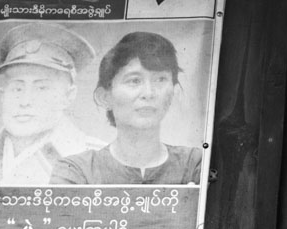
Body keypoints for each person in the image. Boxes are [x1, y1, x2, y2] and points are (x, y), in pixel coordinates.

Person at [0, 22, 106, 187]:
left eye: (41, 88)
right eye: (17, 88)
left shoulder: (99, 162)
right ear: (2, 95)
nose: (25, 101)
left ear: (69, 96)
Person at [50, 31, 204, 186]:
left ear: (172, 93)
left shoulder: (195, 164)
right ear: (105, 97)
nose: (148, 93)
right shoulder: (77, 171)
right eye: (134, 81)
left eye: (160, 79)